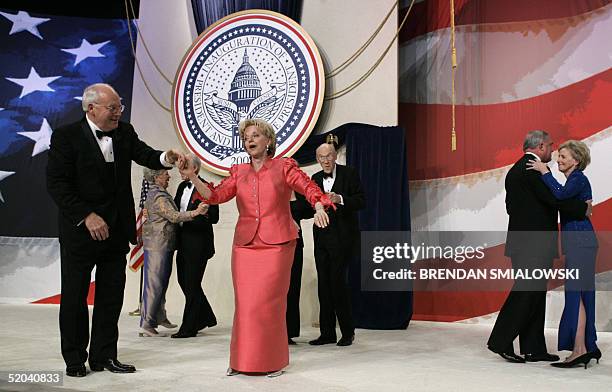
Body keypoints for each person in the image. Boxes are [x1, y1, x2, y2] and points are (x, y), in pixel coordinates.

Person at [46, 83, 184, 377]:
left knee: (111, 298)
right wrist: (87, 215)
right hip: (81, 233)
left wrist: (166, 157)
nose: (118, 113)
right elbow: (57, 184)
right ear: (91, 108)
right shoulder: (65, 137)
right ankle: (74, 359)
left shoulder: (124, 132)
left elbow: (145, 153)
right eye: (113, 108)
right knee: (75, 297)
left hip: (116, 232)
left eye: (120, 107)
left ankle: (104, 356)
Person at [185, 118, 333, 377]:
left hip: (277, 245)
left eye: (255, 136)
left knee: (268, 303)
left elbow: (308, 187)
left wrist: (319, 205)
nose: (249, 141)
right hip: (245, 246)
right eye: (245, 138)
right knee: (245, 304)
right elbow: (215, 195)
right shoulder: (239, 172)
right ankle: (242, 360)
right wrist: (193, 177)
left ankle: (273, 361)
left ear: (268, 141)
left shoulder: (284, 166)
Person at [487, 130, 590, 364]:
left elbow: (511, 207)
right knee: (526, 292)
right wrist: (583, 208)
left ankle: (534, 348)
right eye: (551, 147)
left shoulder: (516, 169)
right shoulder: (533, 170)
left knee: (534, 293)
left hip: (523, 242)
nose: (553, 151)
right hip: (534, 243)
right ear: (540, 146)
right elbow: (556, 200)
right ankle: (500, 341)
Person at [527, 140, 601, 368]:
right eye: (558, 156)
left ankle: (579, 350)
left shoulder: (577, 178)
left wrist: (545, 171)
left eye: (564, 157)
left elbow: (559, 196)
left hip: (580, 241)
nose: (558, 160)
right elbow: (568, 201)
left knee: (575, 294)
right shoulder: (575, 180)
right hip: (580, 241)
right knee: (579, 295)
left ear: (576, 160)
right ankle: (585, 347)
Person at [308, 142, 365, 347]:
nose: (326, 160)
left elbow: (361, 201)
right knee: (324, 286)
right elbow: (308, 209)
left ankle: (347, 332)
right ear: (317, 159)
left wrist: (339, 198)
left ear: (335, 156)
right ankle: (327, 333)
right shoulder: (314, 179)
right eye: (322, 157)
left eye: (329, 156)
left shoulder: (349, 173)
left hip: (343, 239)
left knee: (338, 285)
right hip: (321, 239)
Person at [139, 168, 207, 337]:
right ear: (156, 177)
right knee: (154, 285)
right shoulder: (158, 195)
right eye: (164, 174)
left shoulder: (161, 193)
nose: (169, 176)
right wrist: (196, 212)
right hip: (157, 245)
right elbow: (173, 216)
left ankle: (159, 316)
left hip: (165, 245)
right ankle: (147, 324)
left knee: (161, 283)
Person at [172, 153, 219, 339]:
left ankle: (189, 327)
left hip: (199, 244)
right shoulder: (182, 186)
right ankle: (205, 316)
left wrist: (200, 214)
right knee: (184, 282)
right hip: (182, 242)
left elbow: (214, 217)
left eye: (185, 167)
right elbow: (177, 212)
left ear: (195, 169)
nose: (181, 170)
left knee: (192, 284)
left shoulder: (207, 187)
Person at [286, 192, 311, 345]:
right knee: (278, 291)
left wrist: (321, 204)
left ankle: (289, 331)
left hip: (296, 245)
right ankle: (275, 331)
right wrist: (287, 219)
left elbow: (308, 210)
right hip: (276, 246)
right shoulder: (274, 191)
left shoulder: (299, 194)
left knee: (293, 288)